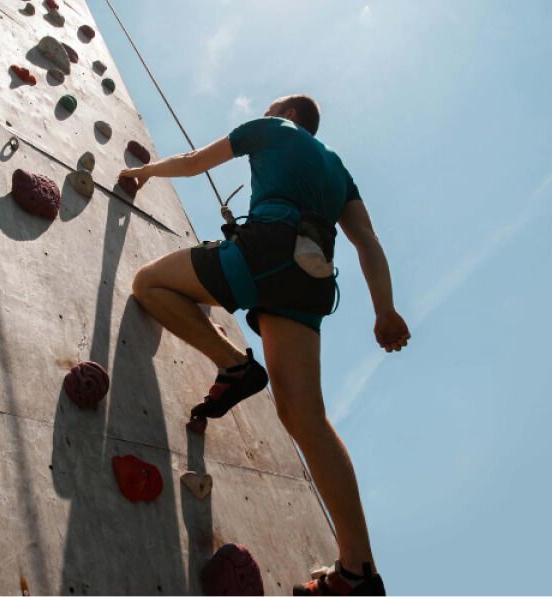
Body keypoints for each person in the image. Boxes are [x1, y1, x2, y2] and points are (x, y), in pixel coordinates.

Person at [120, 95, 410, 596]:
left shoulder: (272, 128)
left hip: (264, 255)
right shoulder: (338, 169)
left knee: (149, 284)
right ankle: (358, 574)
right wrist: (385, 310)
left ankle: (233, 364)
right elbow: (368, 241)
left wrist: (146, 171)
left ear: (288, 114)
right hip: (310, 279)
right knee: (307, 420)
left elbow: (193, 163)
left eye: (274, 106)